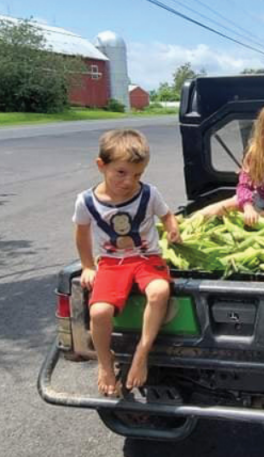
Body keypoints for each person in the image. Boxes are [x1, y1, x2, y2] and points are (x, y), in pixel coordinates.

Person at [73, 128, 182, 397]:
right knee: (99, 312)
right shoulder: (86, 201)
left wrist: (172, 227)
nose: (129, 181)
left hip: (146, 258)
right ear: (102, 165)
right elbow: (82, 233)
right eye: (121, 172)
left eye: (137, 175)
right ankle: (105, 363)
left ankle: (141, 354)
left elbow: (167, 215)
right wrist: (88, 266)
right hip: (111, 262)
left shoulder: (149, 194)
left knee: (159, 291)